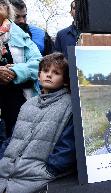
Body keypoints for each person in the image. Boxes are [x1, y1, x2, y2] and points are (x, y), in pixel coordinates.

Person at [0, 52, 76, 193]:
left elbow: (68, 145)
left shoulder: (70, 106)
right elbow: (13, 137)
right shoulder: (28, 104)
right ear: (38, 75)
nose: (49, 75)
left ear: (65, 80)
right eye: (45, 71)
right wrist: (2, 159)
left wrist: (51, 170)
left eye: (56, 72)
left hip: (36, 177)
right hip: (5, 173)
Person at [0, 0, 42, 141]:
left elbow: (39, 63)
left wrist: (16, 71)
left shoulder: (20, 34)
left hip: (18, 106)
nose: (22, 20)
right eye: (19, 17)